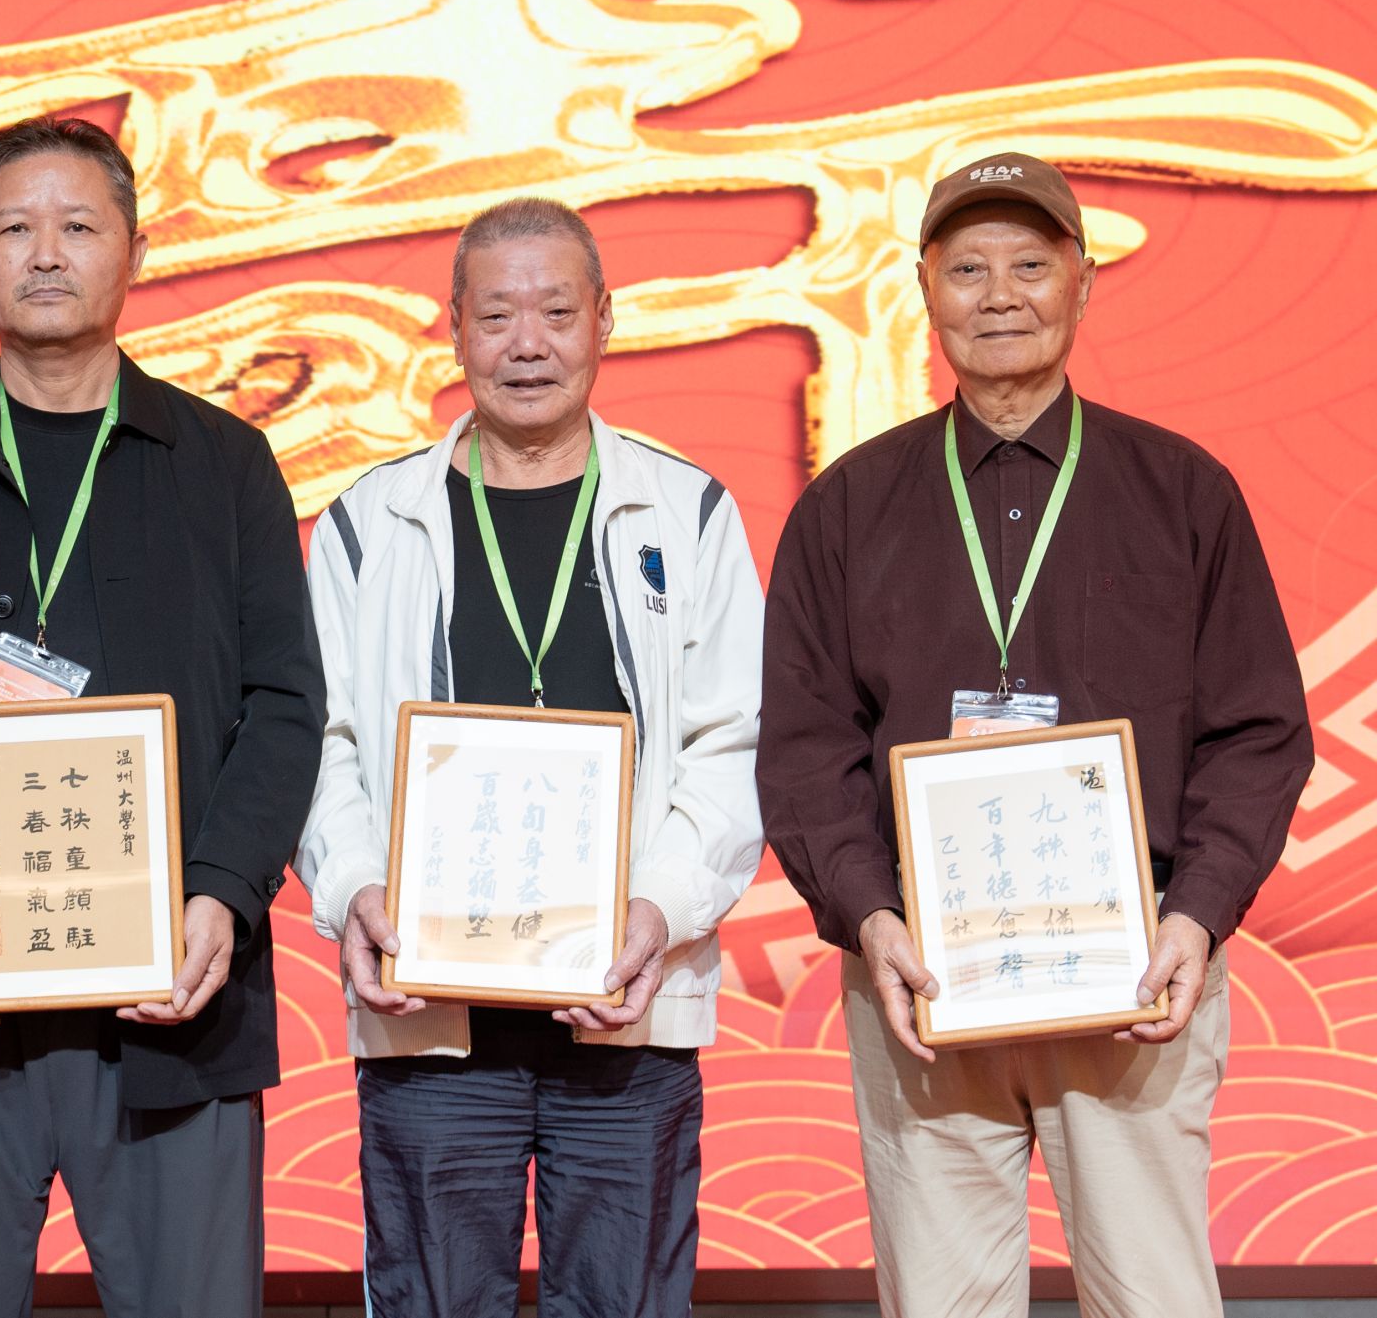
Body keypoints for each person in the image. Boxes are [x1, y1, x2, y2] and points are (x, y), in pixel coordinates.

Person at [758, 151, 1314, 1317]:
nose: (997, 295)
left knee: (1153, 1295)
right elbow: (806, 747)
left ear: (1081, 280)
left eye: (1027, 264)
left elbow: (1257, 731)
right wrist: (870, 919)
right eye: (966, 269)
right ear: (923, 288)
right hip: (922, 969)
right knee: (941, 1301)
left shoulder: (1181, 492)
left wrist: (1193, 914)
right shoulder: (846, 507)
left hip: (1132, 964)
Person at [0, 115, 325, 1318]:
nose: (46, 253)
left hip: (175, 1001)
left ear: (135, 251)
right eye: (14, 228)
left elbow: (285, 703)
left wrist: (221, 893)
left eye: (79, 226)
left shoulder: (224, 462)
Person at [294, 197, 766, 1318]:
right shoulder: (368, 521)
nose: (527, 343)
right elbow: (321, 742)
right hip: (429, 1018)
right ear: (452, 326)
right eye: (497, 314)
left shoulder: (687, 510)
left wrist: (657, 909)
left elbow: (732, 740)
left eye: (556, 311)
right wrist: (354, 888)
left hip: (627, 1006)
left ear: (605, 320)